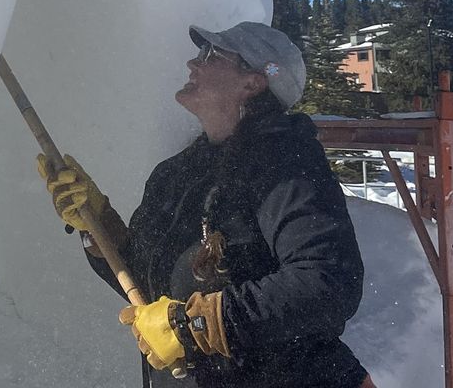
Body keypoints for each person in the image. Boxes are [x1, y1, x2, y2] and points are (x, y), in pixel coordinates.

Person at [38, 21, 372, 387]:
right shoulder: (174, 174)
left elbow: (329, 284)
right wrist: (98, 223)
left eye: (210, 55)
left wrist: (193, 324)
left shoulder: (284, 162)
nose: (192, 64)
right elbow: (153, 290)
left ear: (253, 82)